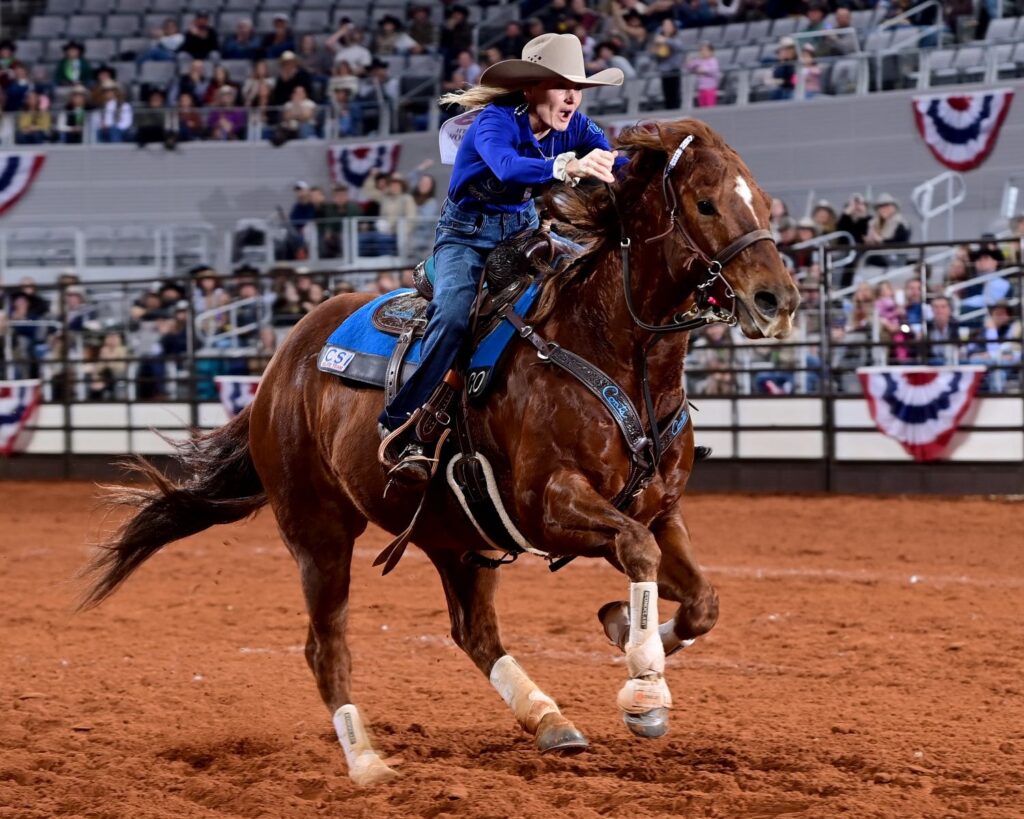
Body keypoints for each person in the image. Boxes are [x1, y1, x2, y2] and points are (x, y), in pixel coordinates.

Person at [378, 33, 623, 486]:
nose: (572, 96)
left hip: (525, 230)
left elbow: (614, 160)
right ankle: (402, 423)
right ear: (530, 88)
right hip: (465, 237)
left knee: (591, 286)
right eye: (560, 85)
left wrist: (653, 166)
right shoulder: (493, 123)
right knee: (452, 315)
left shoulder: (578, 127)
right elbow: (507, 166)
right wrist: (564, 167)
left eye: (578, 88)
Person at [686, 42, 720, 108]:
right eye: (701, 50)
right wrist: (689, 61)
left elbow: (714, 71)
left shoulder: (713, 61)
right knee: (702, 106)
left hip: (710, 88)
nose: (703, 52)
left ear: (711, 52)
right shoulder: (699, 60)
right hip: (701, 88)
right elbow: (690, 67)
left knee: (710, 106)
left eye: (705, 50)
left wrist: (704, 70)